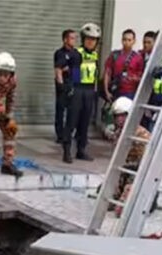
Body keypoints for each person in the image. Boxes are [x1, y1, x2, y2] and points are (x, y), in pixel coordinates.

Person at [60, 23, 100, 163]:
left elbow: (94, 74)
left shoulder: (95, 55)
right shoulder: (77, 54)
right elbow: (74, 73)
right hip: (78, 90)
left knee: (84, 123)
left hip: (89, 91)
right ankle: (66, 151)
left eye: (94, 39)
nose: (91, 41)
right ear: (83, 39)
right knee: (72, 122)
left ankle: (81, 150)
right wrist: (71, 90)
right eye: (88, 39)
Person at [106, 96, 152, 217]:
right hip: (122, 171)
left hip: (136, 173)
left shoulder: (141, 135)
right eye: (117, 116)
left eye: (122, 115)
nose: (119, 119)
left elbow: (146, 162)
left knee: (121, 211)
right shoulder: (119, 132)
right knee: (106, 199)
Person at [103, 29, 144, 102]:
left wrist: (133, 78)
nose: (126, 42)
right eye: (124, 40)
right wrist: (106, 91)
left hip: (130, 93)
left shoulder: (138, 58)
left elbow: (141, 77)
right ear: (122, 40)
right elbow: (107, 73)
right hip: (115, 90)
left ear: (134, 41)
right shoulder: (114, 55)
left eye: (129, 40)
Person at [54, 29, 77, 144]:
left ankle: (70, 132)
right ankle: (60, 135)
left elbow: (76, 69)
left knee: (72, 110)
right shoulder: (60, 53)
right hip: (63, 84)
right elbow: (58, 70)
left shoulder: (76, 53)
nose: (74, 40)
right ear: (65, 39)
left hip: (73, 83)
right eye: (72, 38)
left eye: (75, 38)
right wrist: (61, 85)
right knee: (60, 110)